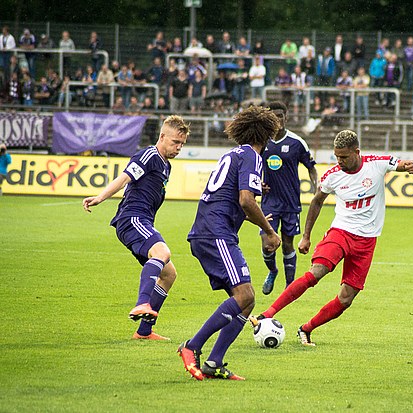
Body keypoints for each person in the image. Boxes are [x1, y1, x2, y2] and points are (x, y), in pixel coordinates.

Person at [250, 130, 413, 346]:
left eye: (343, 156)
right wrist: (306, 236)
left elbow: (408, 164)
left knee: (346, 298)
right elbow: (317, 201)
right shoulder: (333, 175)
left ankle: (306, 329)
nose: (339, 161)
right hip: (341, 232)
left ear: (356, 152)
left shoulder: (377, 164)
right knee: (317, 272)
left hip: (367, 241)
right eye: (336, 156)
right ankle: (266, 314)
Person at [178, 106, 282, 381]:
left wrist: (253, 216)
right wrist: (269, 231)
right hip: (216, 234)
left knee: (247, 301)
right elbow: (246, 200)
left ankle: (214, 363)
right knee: (245, 296)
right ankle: (192, 346)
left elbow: (227, 199)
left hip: (211, 231)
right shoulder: (252, 156)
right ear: (265, 134)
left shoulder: (233, 154)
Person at [82, 116, 190, 340]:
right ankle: (142, 303)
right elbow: (125, 178)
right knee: (162, 252)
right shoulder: (149, 155)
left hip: (143, 221)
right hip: (132, 219)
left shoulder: (166, 165)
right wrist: (100, 197)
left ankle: (144, 332)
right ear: (162, 137)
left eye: (182, 144)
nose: (179, 147)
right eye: (175, 142)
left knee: (169, 274)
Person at [260, 101, 318, 295]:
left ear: (286, 117)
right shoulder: (262, 141)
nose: (278, 120)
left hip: (290, 202)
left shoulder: (296, 142)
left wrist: (316, 187)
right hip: (269, 201)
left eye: (280, 116)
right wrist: (257, 183)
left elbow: (311, 167)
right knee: (268, 244)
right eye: (274, 116)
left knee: (287, 244)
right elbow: (252, 165)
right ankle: (272, 271)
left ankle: (290, 285)